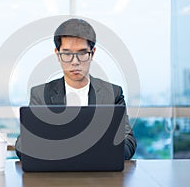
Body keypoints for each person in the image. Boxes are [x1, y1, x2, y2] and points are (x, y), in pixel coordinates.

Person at [15, 18, 137, 160]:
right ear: (57, 54)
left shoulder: (112, 93)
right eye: (67, 54)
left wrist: (98, 152)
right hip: (56, 175)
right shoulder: (40, 94)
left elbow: (128, 142)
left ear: (92, 53)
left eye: (82, 53)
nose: (75, 62)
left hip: (99, 175)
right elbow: (22, 145)